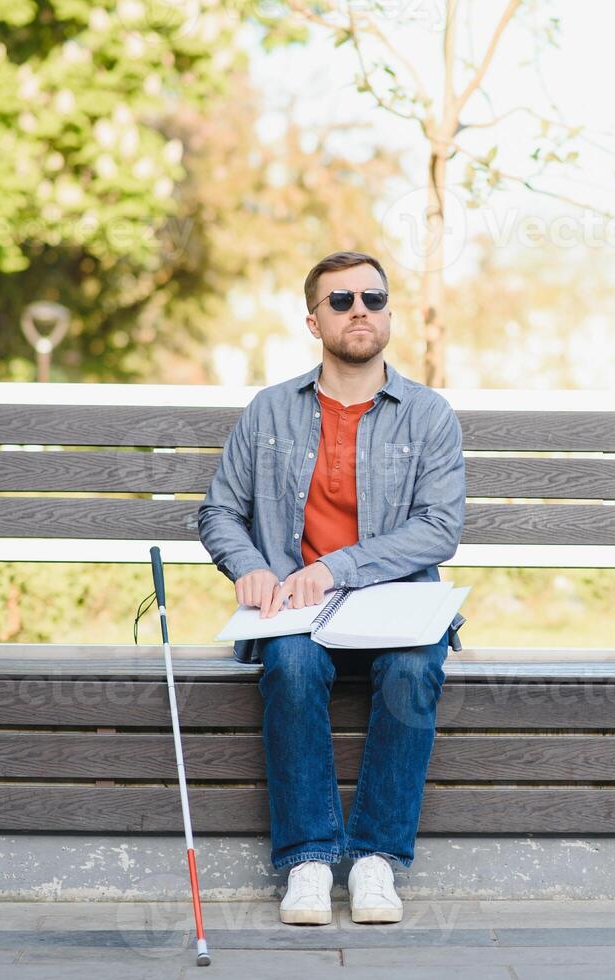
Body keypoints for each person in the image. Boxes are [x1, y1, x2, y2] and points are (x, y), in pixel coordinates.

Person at [197, 250, 467, 926]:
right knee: (290, 666)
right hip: (295, 612)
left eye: (373, 299)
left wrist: (335, 567)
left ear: (389, 313)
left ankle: (376, 860)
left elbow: (439, 530)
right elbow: (219, 512)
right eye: (341, 301)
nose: (359, 311)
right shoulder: (268, 412)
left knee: (413, 668)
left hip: (396, 606)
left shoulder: (428, 414)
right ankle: (310, 861)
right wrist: (250, 567)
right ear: (314, 321)